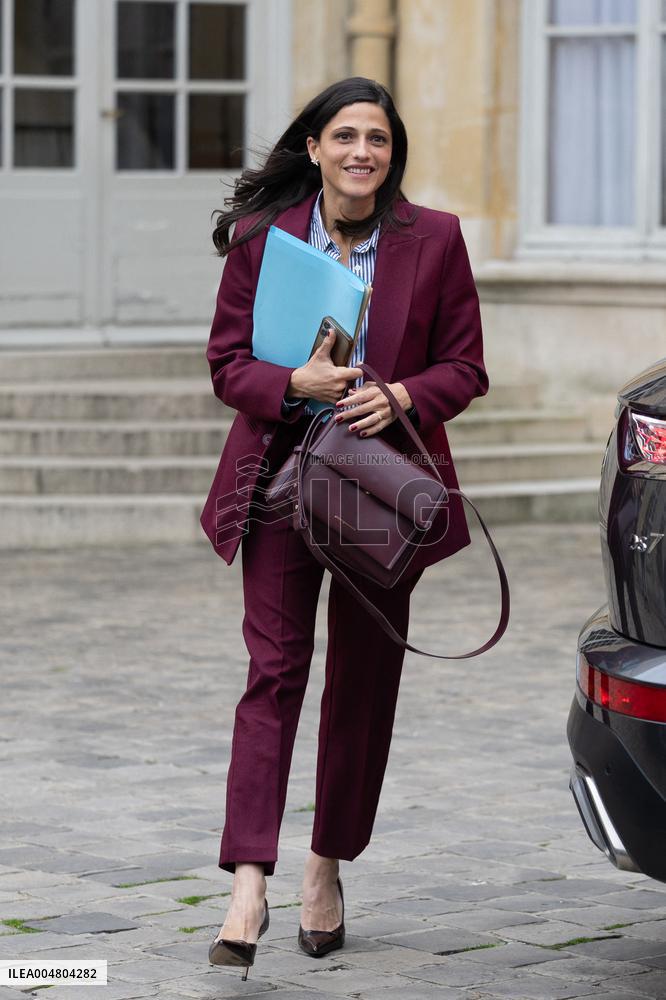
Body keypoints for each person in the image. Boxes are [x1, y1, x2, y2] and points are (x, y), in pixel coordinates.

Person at [200, 76, 488, 978]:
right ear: (316, 148)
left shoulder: (433, 238)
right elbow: (227, 366)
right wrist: (297, 385)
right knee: (273, 676)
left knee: (362, 687)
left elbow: (466, 368)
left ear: (392, 154)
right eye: (346, 136)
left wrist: (400, 393)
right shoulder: (262, 239)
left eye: (379, 139)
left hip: (382, 494)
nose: (363, 151)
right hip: (279, 482)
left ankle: (325, 866)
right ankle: (248, 881)